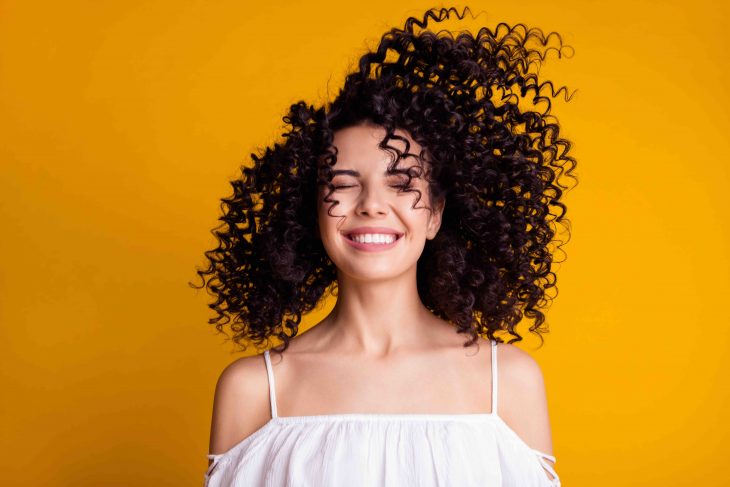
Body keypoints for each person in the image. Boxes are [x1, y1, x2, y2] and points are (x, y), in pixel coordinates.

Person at [191, 5, 577, 486]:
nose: (372, 205)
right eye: (344, 184)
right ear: (312, 211)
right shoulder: (255, 390)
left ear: (435, 214)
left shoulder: (508, 381)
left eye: (400, 184)